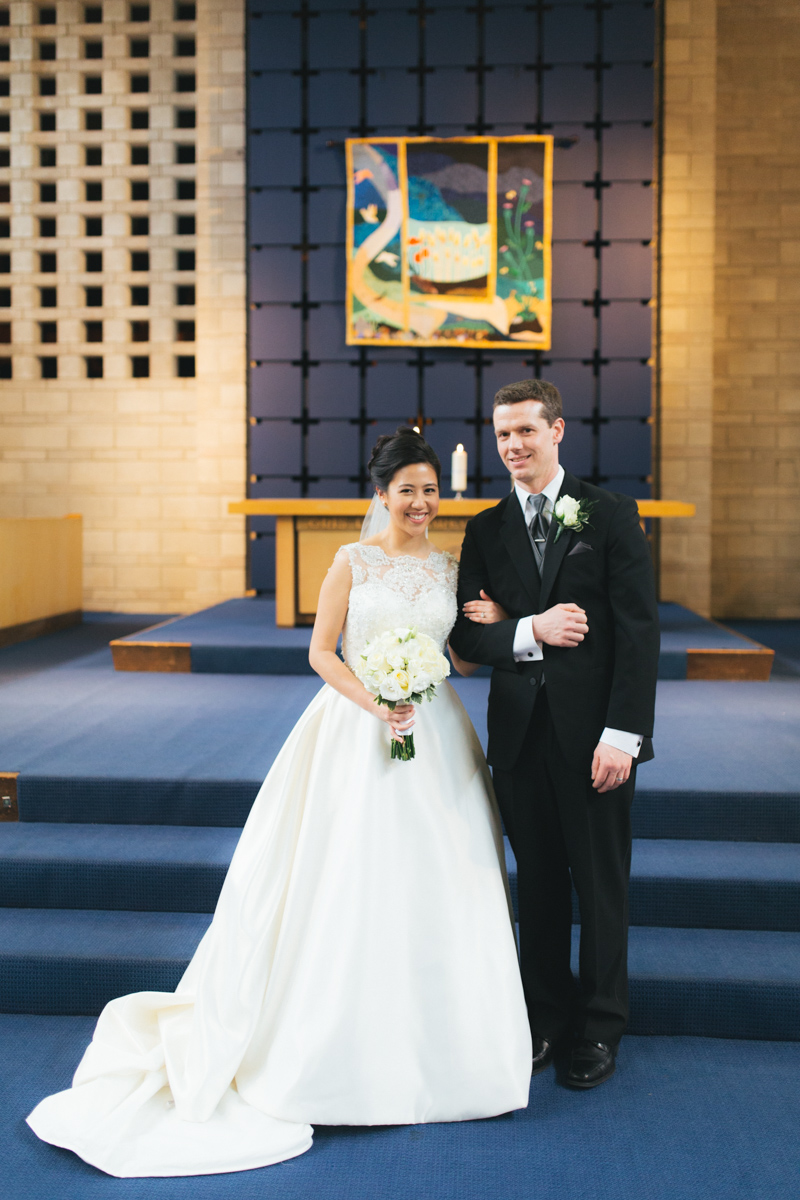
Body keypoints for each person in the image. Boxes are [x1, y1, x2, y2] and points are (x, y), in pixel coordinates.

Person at [27, 427, 532, 1179]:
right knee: (346, 883)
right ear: (383, 494)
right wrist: (375, 700)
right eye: (407, 490)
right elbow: (321, 651)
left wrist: (483, 629)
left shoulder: (450, 567)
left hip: (435, 734)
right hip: (359, 733)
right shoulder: (351, 562)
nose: (421, 502)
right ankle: (333, 1050)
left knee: (443, 880)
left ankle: (452, 1051)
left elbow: (455, 653)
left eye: (431, 490)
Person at [449, 379, 660, 1090]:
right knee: (537, 887)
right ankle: (546, 1018)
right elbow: (468, 641)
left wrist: (623, 735)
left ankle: (601, 1028)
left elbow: (637, 633)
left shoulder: (608, 514)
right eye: (503, 434)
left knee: (599, 887)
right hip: (518, 740)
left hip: (594, 737)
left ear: (557, 431)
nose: (513, 446)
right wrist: (528, 630)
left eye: (526, 432)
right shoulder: (484, 529)